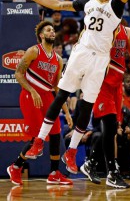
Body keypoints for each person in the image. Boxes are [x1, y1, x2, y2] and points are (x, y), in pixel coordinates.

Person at [10, 0, 130, 176]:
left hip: (101, 59)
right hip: (81, 52)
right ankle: (38, 141)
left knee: (86, 107)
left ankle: (72, 152)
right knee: (62, 95)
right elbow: (57, 4)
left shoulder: (115, 5)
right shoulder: (88, 3)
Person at [7, 21, 73, 186]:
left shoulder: (58, 60)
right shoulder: (33, 51)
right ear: (41, 35)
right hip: (31, 95)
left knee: (56, 134)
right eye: (48, 30)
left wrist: (66, 111)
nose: (52, 32)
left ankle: (54, 173)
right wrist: (33, 90)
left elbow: (58, 88)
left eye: (53, 30)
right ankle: (15, 167)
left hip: (48, 97)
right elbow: (18, 74)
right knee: (37, 136)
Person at [80, 24, 130, 188]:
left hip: (117, 83)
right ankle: (112, 172)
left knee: (111, 130)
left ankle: (90, 163)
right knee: (109, 125)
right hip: (101, 82)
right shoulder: (97, 27)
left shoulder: (128, 32)